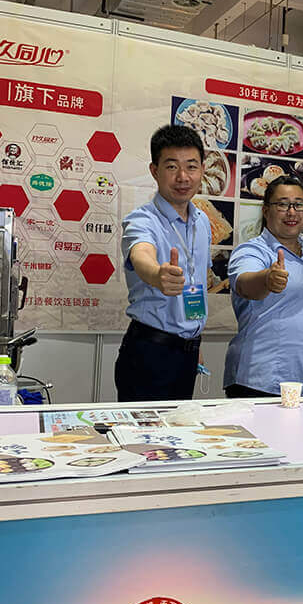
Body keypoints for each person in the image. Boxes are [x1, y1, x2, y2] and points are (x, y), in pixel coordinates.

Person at [117, 125, 211, 401]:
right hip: (149, 353)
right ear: (154, 170)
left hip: (187, 352)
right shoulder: (142, 220)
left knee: (178, 428)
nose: (183, 177)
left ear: (203, 169)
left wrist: (193, 339)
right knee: (144, 429)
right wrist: (157, 274)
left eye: (191, 166)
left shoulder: (202, 221)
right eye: (172, 167)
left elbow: (196, 281)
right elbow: (141, 254)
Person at [223, 176, 303, 398]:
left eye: (298, 204)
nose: (292, 212)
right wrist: (267, 279)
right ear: (266, 211)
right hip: (258, 378)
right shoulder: (252, 251)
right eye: (282, 204)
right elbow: (245, 283)